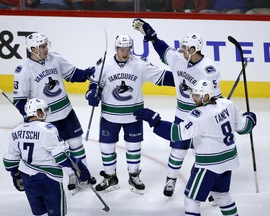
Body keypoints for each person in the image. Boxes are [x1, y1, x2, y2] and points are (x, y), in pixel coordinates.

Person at [134, 79, 257, 216]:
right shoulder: (227, 104)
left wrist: (154, 120)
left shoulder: (199, 116)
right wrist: (251, 118)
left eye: (197, 95)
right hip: (228, 161)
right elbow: (244, 128)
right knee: (222, 195)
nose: (193, 97)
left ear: (206, 96)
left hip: (209, 166)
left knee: (191, 200)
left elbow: (176, 133)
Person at [132, 18, 222, 197]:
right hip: (182, 114)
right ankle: (171, 179)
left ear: (194, 49)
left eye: (185, 48)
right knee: (178, 149)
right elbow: (165, 51)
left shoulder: (209, 70)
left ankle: (205, 183)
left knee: (202, 152)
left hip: (202, 117)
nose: (181, 50)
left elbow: (216, 100)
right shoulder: (179, 59)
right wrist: (153, 37)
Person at [85, 34, 174, 194]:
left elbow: (161, 77)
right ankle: (110, 177)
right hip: (109, 115)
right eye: (121, 49)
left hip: (134, 114)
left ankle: (134, 176)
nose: (125, 53)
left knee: (134, 147)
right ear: (116, 48)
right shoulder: (105, 64)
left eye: (127, 49)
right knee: (106, 146)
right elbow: (94, 84)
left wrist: (182, 78)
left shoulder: (140, 64)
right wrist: (91, 94)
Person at [13, 32, 96, 193]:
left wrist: (87, 73)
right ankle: (72, 175)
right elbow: (19, 100)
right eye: (42, 47)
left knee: (76, 144)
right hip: (46, 118)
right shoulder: (23, 70)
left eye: (46, 45)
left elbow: (73, 74)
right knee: (60, 150)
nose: (46, 49)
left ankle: (84, 175)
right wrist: (28, 116)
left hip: (66, 111)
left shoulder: (55, 58)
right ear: (33, 49)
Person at [3, 98, 91, 216]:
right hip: (49, 179)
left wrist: (16, 175)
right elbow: (62, 157)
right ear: (38, 112)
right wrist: (80, 169)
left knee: (40, 213)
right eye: (44, 111)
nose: (46, 114)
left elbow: (10, 161)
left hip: (28, 180)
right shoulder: (47, 130)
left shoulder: (16, 131)